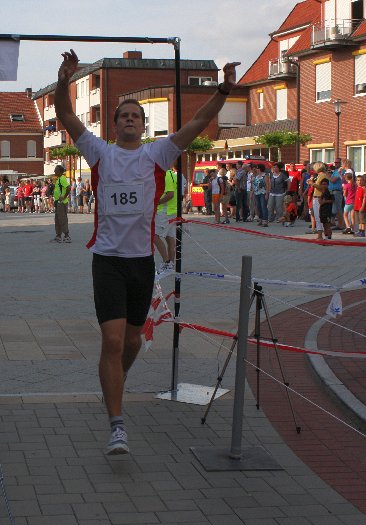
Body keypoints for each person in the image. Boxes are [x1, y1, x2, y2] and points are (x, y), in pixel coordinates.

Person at [55, 48, 239, 455]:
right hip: (107, 261)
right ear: (114, 124)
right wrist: (64, 80)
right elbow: (66, 115)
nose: (129, 120)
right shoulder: (100, 152)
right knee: (112, 341)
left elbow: (198, 122)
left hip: (142, 262)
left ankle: (113, 382)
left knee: (133, 341)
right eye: (123, 116)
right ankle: (117, 425)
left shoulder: (157, 154)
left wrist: (224, 89)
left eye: (135, 116)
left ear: (143, 124)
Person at [154, 166, 181, 275]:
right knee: (170, 238)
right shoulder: (171, 174)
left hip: (165, 211)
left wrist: (157, 202)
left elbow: (170, 194)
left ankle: (167, 262)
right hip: (171, 211)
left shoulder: (167, 175)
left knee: (154, 235)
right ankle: (170, 265)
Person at [51, 164, 71, 242]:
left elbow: (68, 188)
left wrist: (64, 197)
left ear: (60, 171)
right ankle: (58, 235)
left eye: (55, 170)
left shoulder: (62, 179)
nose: (54, 171)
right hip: (58, 202)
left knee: (62, 219)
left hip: (62, 202)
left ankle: (67, 236)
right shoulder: (59, 179)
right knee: (57, 219)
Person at [317, 175, 334, 240]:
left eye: (325, 184)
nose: (324, 185)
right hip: (322, 211)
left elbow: (332, 200)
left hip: (328, 211)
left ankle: (329, 238)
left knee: (328, 225)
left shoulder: (330, 191)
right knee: (324, 225)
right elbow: (320, 202)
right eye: (323, 184)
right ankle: (326, 237)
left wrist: (325, 201)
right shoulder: (321, 192)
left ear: (328, 185)